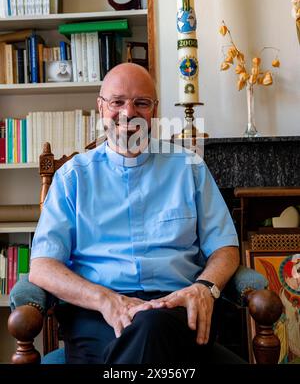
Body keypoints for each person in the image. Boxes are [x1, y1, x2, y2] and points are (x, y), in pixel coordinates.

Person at [29, 63, 240, 364]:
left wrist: (204, 287)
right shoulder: (73, 178)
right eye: (117, 102)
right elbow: (43, 266)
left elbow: (225, 247)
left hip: (176, 308)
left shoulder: (189, 168)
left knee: (154, 325)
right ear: (101, 108)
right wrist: (106, 300)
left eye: (141, 102)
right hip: (96, 313)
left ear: (154, 110)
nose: (128, 113)